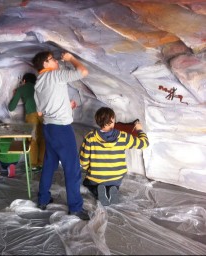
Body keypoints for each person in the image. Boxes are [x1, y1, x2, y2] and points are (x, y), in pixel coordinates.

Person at [32, 51, 90, 220]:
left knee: (49, 164)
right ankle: (75, 207)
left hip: (49, 128)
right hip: (62, 130)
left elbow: (41, 112)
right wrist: (70, 58)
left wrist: (66, 106)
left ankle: (43, 199)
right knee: (72, 168)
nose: (56, 61)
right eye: (52, 59)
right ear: (45, 64)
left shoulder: (38, 83)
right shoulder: (54, 75)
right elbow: (83, 72)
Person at [80, 107, 149, 206]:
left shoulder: (90, 137)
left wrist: (90, 170)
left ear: (97, 121)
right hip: (116, 177)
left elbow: (83, 161)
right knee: (113, 183)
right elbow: (145, 143)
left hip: (97, 176)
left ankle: (98, 191)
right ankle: (112, 190)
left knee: (88, 183)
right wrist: (139, 130)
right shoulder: (123, 136)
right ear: (113, 120)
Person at [8, 73, 45, 171]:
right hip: (44, 114)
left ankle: (33, 165)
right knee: (43, 138)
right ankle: (42, 163)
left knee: (32, 140)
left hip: (31, 115)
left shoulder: (22, 89)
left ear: (24, 81)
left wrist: (15, 94)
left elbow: (11, 107)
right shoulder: (40, 86)